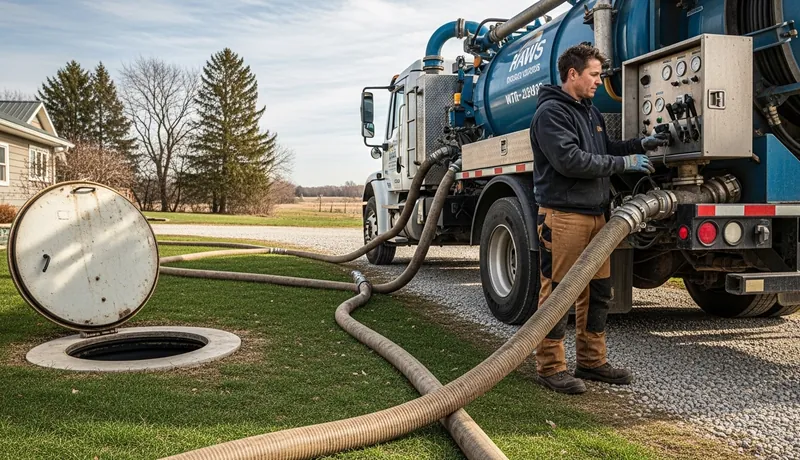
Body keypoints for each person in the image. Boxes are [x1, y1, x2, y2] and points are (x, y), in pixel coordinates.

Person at [529, 44, 669, 395]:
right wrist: (624, 165)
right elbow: (570, 161)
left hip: (596, 214)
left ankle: (591, 362)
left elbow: (603, 153)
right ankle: (550, 367)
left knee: (598, 291)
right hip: (563, 216)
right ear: (572, 74)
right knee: (558, 292)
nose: (598, 81)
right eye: (594, 74)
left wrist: (640, 145)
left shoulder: (589, 112)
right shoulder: (551, 113)